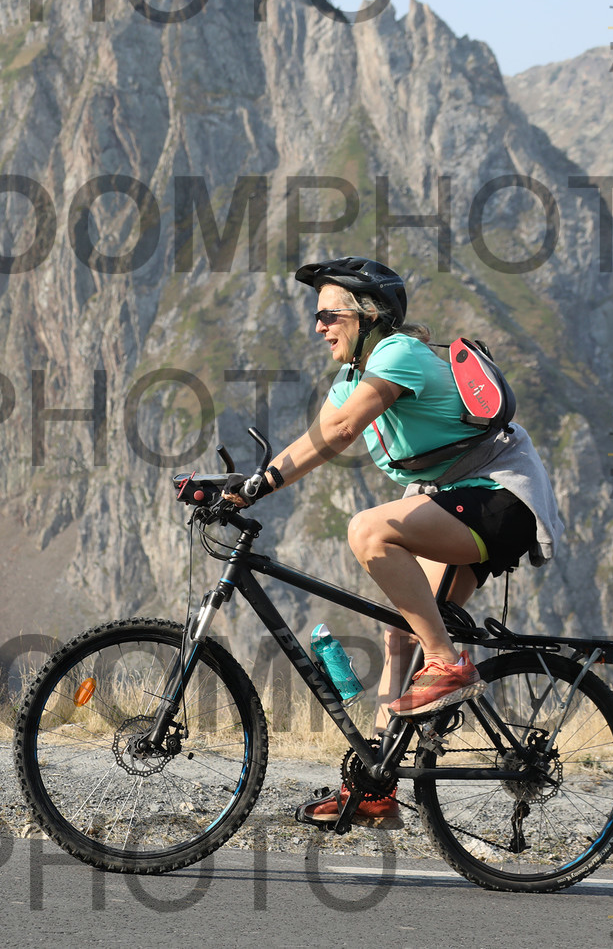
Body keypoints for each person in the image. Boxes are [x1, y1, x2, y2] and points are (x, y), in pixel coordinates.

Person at [223, 256, 565, 830]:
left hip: (499, 499)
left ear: (369, 315)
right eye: (316, 316)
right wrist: (241, 489)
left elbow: (340, 431)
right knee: (401, 631)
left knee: (368, 530)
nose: (319, 326)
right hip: (459, 499)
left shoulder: (399, 354)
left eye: (330, 315)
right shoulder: (351, 379)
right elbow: (315, 439)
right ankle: (376, 787)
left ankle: (448, 664)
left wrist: (261, 487)